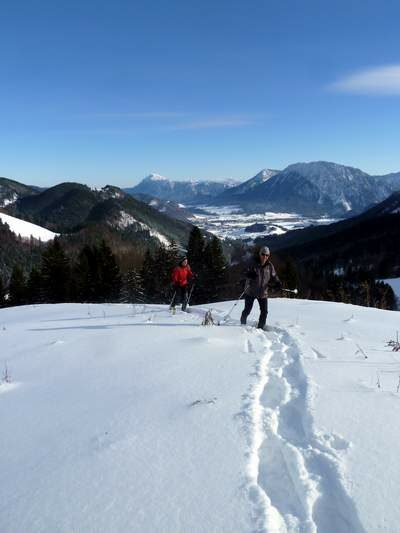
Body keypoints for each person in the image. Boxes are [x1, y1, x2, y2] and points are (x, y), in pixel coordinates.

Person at [240, 246, 282, 329]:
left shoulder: (269, 266)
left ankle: (260, 328)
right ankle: (242, 325)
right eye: (263, 254)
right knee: (247, 310)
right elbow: (244, 271)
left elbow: (274, 276)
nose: (265, 257)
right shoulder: (252, 263)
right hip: (250, 291)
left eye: (267, 255)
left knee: (264, 312)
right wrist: (249, 274)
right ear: (260, 254)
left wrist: (278, 283)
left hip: (263, 292)